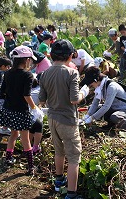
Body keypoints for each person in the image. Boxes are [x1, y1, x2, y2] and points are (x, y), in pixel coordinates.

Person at [39, 39, 90, 199]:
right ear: (70, 56)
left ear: (52, 55)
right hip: (67, 120)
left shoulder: (44, 74)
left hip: (52, 118)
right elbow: (75, 99)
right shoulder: (72, 72)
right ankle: (71, 194)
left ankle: (59, 181)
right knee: (74, 156)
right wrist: (85, 92)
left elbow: (42, 100)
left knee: (59, 151)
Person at [0, 46, 39, 174]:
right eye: (30, 60)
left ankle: (8, 158)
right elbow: (26, 95)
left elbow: (2, 91)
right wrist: (34, 108)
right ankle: (31, 166)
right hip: (21, 111)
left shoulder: (8, 73)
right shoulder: (28, 75)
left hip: (8, 109)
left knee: (14, 134)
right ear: (26, 60)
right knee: (25, 139)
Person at [81, 66, 126, 131]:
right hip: (114, 109)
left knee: (115, 117)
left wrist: (92, 118)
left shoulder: (111, 86)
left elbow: (106, 106)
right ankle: (112, 124)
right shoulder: (100, 87)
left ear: (96, 80)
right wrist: (87, 116)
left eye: (91, 83)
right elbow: (95, 103)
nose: (90, 85)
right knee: (91, 108)